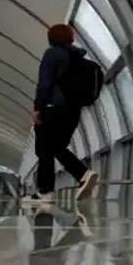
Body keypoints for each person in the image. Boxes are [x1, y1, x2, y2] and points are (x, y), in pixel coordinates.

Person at [23, 24, 98, 204]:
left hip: (53, 108)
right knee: (55, 147)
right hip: (73, 110)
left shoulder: (53, 54)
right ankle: (55, 187)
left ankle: (51, 189)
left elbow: (44, 84)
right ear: (70, 38)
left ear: (52, 39)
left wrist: (37, 108)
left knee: (45, 149)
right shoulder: (78, 56)